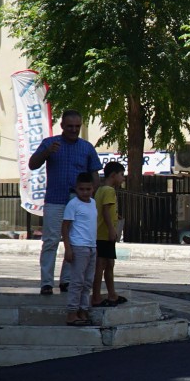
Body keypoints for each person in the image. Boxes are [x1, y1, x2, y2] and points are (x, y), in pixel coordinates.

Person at [28, 109, 101, 296]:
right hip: (55, 199)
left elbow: (94, 174)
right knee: (51, 240)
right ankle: (46, 282)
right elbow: (32, 164)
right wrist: (46, 153)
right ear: (62, 126)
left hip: (77, 201)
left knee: (75, 241)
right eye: (70, 126)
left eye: (77, 126)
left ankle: (67, 281)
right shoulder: (49, 144)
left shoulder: (87, 147)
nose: (74, 130)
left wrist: (91, 196)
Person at [62, 172, 100, 326]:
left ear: (92, 189)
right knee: (77, 282)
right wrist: (68, 248)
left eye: (88, 189)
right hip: (78, 247)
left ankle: (83, 310)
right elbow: (65, 227)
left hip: (92, 246)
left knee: (88, 282)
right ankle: (72, 312)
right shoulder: (73, 205)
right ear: (76, 189)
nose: (85, 192)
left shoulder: (92, 203)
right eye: (82, 189)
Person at [92, 161, 125, 307]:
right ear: (113, 175)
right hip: (104, 234)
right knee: (101, 265)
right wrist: (112, 229)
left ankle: (112, 294)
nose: (123, 178)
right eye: (121, 175)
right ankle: (97, 296)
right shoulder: (109, 191)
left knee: (109, 264)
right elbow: (105, 211)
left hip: (101, 234)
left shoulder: (100, 190)